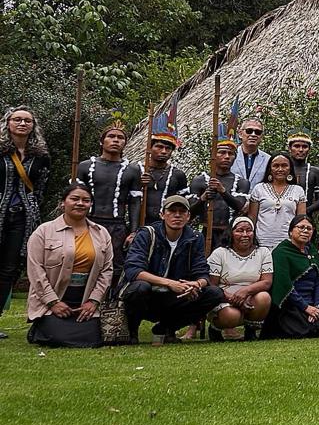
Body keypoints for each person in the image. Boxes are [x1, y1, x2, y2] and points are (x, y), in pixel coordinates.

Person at [121, 195, 223, 345]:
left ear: (188, 216)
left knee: (214, 293)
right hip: (148, 294)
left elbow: (202, 272)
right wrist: (169, 283)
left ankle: (166, 328)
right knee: (139, 287)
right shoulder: (147, 234)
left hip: (176, 295)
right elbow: (133, 270)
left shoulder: (195, 237)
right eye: (172, 211)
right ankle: (132, 331)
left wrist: (196, 284)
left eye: (182, 211)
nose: (177, 215)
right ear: (162, 214)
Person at [25, 183, 112, 348]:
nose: (80, 203)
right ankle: (40, 327)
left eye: (86, 200)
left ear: (90, 205)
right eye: (75, 199)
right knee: (58, 336)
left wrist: (93, 301)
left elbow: (107, 271)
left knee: (94, 339)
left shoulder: (101, 233)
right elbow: (35, 270)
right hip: (53, 298)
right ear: (62, 203)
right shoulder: (43, 231)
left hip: (84, 300)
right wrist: (53, 302)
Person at [77, 118, 142, 281]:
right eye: (111, 136)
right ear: (102, 141)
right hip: (89, 222)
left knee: (115, 264)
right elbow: (75, 197)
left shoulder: (132, 170)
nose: (115, 140)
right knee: (84, 260)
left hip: (117, 225)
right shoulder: (85, 166)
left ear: (125, 143)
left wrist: (133, 231)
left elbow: (134, 202)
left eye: (120, 138)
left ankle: (111, 296)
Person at [267, 215, 319, 339]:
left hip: (313, 302)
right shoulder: (281, 252)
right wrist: (306, 307)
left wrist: (318, 305)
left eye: (309, 229)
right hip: (291, 304)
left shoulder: (311, 251)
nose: (305, 231)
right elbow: (284, 285)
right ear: (290, 231)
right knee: (307, 330)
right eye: (301, 227)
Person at [206, 217, 273, 341]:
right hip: (224, 298)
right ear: (231, 233)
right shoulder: (219, 253)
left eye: (249, 230)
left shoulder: (263, 252)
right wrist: (234, 299)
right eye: (240, 231)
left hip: (251, 297)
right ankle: (215, 328)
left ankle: (251, 329)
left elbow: (267, 282)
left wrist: (245, 292)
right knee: (232, 316)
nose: (245, 235)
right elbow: (212, 285)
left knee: (264, 297)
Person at [186, 136, 251, 249]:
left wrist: (223, 191)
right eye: (222, 153)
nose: (227, 157)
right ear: (213, 156)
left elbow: (240, 207)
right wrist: (203, 198)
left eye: (231, 154)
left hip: (230, 234)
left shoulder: (241, 182)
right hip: (206, 232)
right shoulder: (199, 180)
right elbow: (189, 213)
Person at [137, 110, 188, 231]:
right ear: (150, 148)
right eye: (159, 147)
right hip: (140, 225)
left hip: (167, 228)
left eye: (168, 148)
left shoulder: (178, 175)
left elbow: (183, 205)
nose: (164, 151)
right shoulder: (136, 170)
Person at [248, 154, 307, 249]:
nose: (280, 169)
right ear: (270, 169)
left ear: (290, 169)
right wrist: (251, 238)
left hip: (288, 241)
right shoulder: (259, 188)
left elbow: (301, 220)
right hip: (262, 241)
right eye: (276, 166)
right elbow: (252, 217)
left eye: (284, 165)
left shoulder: (298, 190)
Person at [285, 129, 319, 226]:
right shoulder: (282, 169)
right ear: (289, 148)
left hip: (306, 219)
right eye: (296, 146)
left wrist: (304, 212)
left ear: (309, 149)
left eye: (304, 147)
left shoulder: (315, 171)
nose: (301, 150)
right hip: (283, 216)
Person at [231, 117, 268, 187]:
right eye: (249, 131)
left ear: (262, 136)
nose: (253, 134)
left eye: (258, 132)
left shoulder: (268, 160)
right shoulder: (229, 156)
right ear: (240, 134)